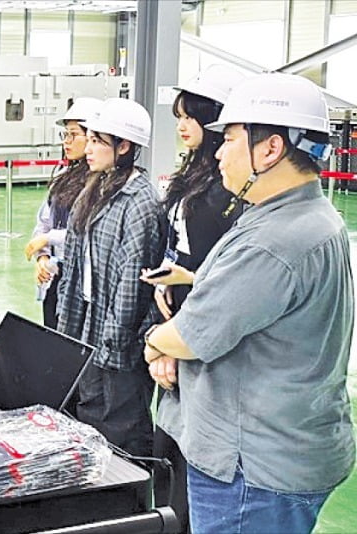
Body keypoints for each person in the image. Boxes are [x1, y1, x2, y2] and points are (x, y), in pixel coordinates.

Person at [145, 73, 353, 534]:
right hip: (288, 448)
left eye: (230, 139)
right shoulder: (306, 217)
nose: (218, 152)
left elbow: (190, 336)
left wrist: (155, 342)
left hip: (252, 471)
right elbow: (256, 302)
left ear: (270, 149)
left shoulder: (273, 239)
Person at [136, 64, 246, 532]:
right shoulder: (193, 176)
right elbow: (178, 244)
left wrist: (188, 284)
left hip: (201, 334)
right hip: (175, 320)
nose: (181, 125)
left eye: (191, 117)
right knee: (171, 451)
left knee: (194, 460)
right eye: (178, 116)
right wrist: (167, 284)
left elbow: (231, 276)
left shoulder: (229, 189)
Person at [54, 97, 164, 457]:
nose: (89, 147)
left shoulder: (140, 201)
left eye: (99, 141)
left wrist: (112, 347)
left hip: (121, 346)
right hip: (90, 330)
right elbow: (74, 262)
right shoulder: (95, 188)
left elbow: (131, 285)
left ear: (125, 146)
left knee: (121, 429)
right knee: (89, 419)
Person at [23, 98, 102, 329]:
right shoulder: (63, 173)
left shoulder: (100, 183)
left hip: (81, 279)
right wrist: (43, 257)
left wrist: (48, 239)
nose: (66, 141)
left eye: (73, 134)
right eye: (65, 135)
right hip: (55, 276)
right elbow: (44, 219)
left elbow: (87, 234)